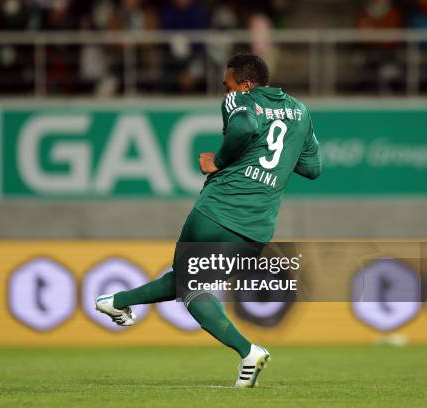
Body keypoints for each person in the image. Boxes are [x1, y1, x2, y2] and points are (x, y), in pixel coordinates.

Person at [95, 53, 321, 388]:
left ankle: (247, 351)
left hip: (217, 210)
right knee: (189, 280)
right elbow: (313, 168)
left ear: (245, 84)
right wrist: (279, 158)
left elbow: (244, 127)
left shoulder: (240, 101)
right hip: (257, 227)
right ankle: (115, 302)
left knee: (189, 286)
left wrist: (218, 159)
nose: (225, 90)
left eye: (227, 84)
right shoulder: (300, 112)